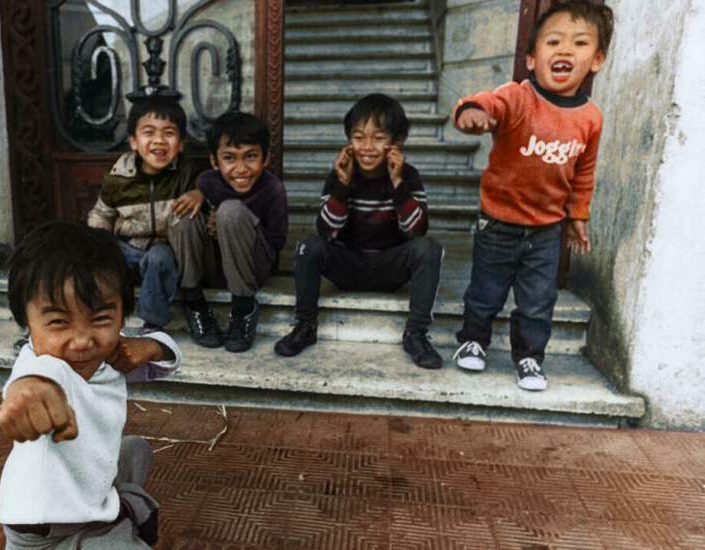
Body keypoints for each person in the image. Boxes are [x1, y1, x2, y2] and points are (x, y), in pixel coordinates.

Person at [451, 0, 614, 391]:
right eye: (553, 41)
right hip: (498, 222)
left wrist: (578, 215)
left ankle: (529, 358)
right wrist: (472, 112)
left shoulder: (590, 118)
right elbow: (486, 102)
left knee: (538, 301)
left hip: (546, 229)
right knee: (486, 290)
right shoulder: (518, 97)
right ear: (530, 58)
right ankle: (473, 340)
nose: (564, 50)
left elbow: (584, 172)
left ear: (596, 60)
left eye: (579, 43)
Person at [0, 220, 182, 549]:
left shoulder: (110, 358)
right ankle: (122, 513)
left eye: (100, 319)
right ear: (26, 322)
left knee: (137, 449)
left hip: (89, 498)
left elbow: (170, 357)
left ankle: (119, 503)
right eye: (58, 322)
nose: (81, 341)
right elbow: (30, 383)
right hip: (47, 533)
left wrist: (149, 347)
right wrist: (30, 394)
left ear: (122, 315)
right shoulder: (43, 365)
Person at [273, 93, 444, 369]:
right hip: (349, 265)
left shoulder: (408, 176)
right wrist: (342, 185)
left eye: (378, 138)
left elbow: (416, 231)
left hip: (390, 267)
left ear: (396, 144)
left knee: (429, 248)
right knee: (309, 245)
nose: (367, 147)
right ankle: (305, 326)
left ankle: (416, 334)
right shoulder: (341, 174)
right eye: (358, 137)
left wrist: (398, 183)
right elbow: (327, 232)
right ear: (348, 143)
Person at [169, 112, 288, 352]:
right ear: (215, 161)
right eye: (229, 158)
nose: (241, 168)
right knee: (184, 216)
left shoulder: (273, 188)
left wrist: (234, 226)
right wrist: (198, 196)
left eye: (251, 157)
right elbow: (201, 199)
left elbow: (276, 242)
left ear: (265, 158)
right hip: (215, 268)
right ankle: (195, 303)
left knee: (231, 211)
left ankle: (243, 309)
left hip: (253, 268)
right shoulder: (207, 182)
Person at [87, 95, 196, 331]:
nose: (159, 141)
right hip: (126, 249)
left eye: (169, 133)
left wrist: (200, 194)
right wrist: (98, 242)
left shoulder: (186, 174)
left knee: (159, 257)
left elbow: (204, 199)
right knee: (87, 258)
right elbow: (102, 214)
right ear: (134, 141)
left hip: (162, 253)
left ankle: (153, 324)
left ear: (181, 143)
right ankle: (88, 317)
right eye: (149, 132)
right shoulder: (119, 177)